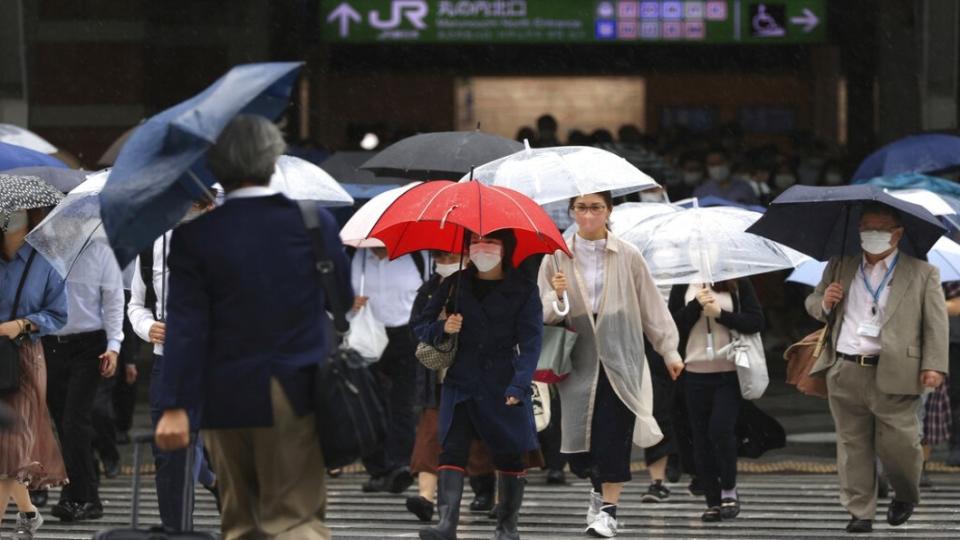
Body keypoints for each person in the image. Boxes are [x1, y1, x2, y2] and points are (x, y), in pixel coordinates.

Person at [154, 115, 352, 540]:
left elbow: (186, 327)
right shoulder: (314, 224)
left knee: (241, 523)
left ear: (216, 166)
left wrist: (175, 406)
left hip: (225, 393)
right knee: (296, 518)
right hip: (296, 387)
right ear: (273, 159)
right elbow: (342, 298)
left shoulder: (197, 237)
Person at [538, 191, 684, 538]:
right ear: (571, 210)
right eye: (581, 207)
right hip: (576, 354)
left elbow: (651, 305)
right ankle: (596, 489)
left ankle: (608, 510)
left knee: (614, 434)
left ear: (609, 211)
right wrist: (557, 295)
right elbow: (541, 314)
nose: (588, 214)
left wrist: (669, 350)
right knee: (580, 445)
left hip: (621, 351)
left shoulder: (628, 254)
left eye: (596, 207)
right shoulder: (555, 256)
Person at [806, 203, 949, 533]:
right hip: (845, 367)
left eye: (881, 227)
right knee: (852, 445)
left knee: (900, 444)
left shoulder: (922, 272)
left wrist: (934, 365)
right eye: (866, 227)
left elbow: (935, 324)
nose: (872, 234)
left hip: (898, 370)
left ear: (897, 233)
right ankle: (860, 511)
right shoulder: (841, 265)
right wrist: (825, 300)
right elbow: (812, 304)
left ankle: (905, 493)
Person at [412, 230, 542, 540]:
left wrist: (519, 384)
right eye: (475, 242)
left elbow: (532, 342)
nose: (481, 249)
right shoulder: (455, 283)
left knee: (510, 454)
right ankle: (446, 525)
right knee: (452, 450)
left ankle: (507, 527)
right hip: (462, 381)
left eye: (491, 242)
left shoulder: (523, 288)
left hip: (503, 381)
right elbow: (420, 326)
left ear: (505, 248)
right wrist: (444, 327)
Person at [128, 199, 219, 531]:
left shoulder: (229, 242)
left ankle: (215, 482)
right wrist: (146, 326)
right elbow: (135, 303)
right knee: (169, 455)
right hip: (167, 364)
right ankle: (176, 531)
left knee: (220, 449)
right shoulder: (150, 244)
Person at [406, 251, 498, 522]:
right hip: (439, 374)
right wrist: (441, 326)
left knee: (483, 436)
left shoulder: (486, 283)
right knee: (431, 433)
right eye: (438, 255)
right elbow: (417, 327)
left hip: (479, 372)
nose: (443, 260)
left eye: (450, 255)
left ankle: (488, 492)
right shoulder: (429, 289)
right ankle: (426, 497)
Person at [669, 278, 764, 521]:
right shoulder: (682, 283)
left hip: (730, 373)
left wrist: (720, 314)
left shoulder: (736, 281)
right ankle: (712, 499)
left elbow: (756, 321)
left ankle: (729, 490)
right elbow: (671, 325)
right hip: (694, 373)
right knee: (700, 438)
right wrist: (695, 306)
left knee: (721, 430)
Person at [42, 240, 122, 522]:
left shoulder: (101, 251)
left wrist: (114, 345)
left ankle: (87, 497)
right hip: (50, 344)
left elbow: (113, 299)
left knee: (75, 422)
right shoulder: (44, 251)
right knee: (64, 423)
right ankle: (75, 492)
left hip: (90, 346)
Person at [0, 206, 68, 539]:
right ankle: (28, 513)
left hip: (25, 359)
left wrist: (22, 324)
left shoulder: (45, 259)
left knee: (10, 446)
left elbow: (59, 313)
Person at [352, 246, 423, 494]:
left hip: (406, 332)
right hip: (367, 333)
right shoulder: (355, 255)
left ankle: (400, 465)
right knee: (369, 403)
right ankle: (377, 468)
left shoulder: (417, 254)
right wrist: (347, 303)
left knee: (403, 403)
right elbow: (333, 294)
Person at [693, 149, 758, 205]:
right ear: (707, 166)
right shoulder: (701, 191)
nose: (716, 167)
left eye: (719, 163)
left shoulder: (744, 187)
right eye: (712, 164)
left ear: (729, 163)